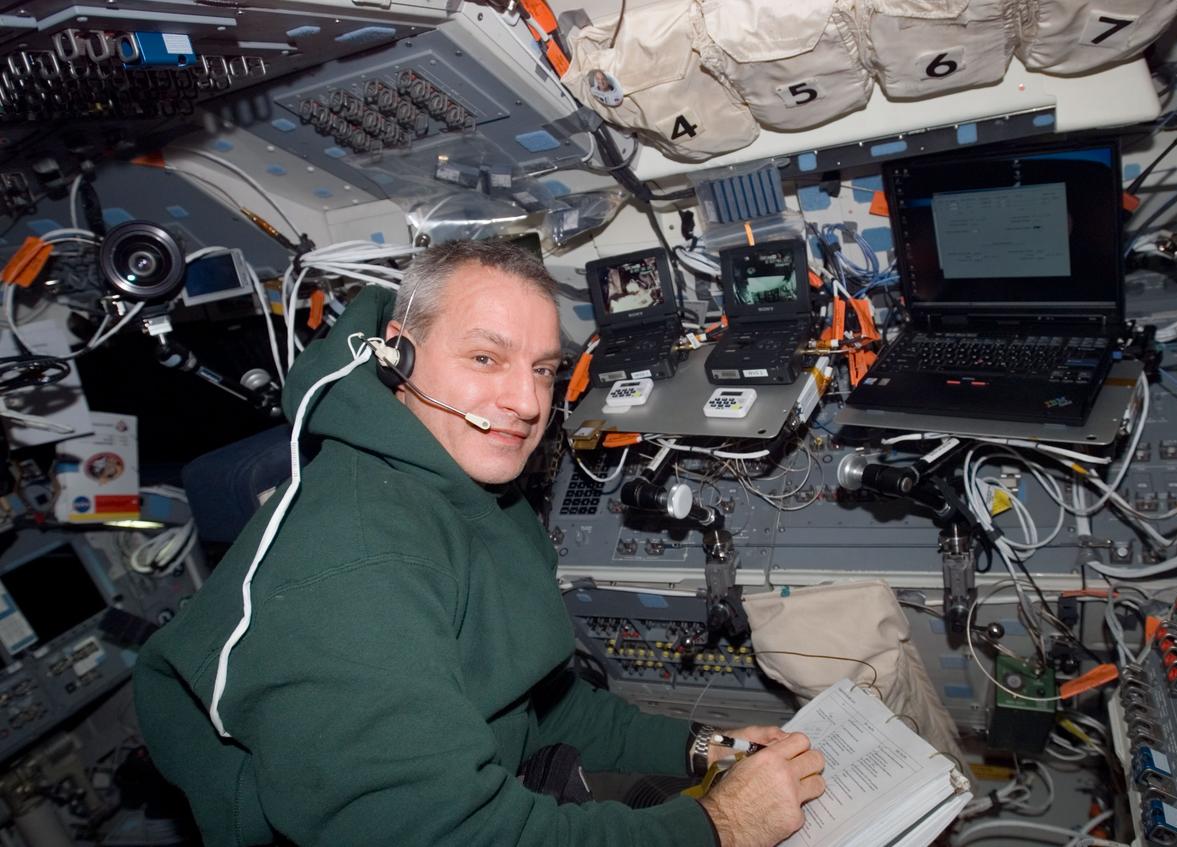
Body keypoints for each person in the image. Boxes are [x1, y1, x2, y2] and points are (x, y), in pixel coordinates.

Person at [133, 240, 825, 846]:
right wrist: (721, 826)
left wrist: (700, 746)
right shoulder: (358, 562)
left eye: (544, 369)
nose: (526, 402)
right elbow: (447, 833)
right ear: (396, 355)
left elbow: (541, 701)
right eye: (486, 357)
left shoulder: (471, 491)